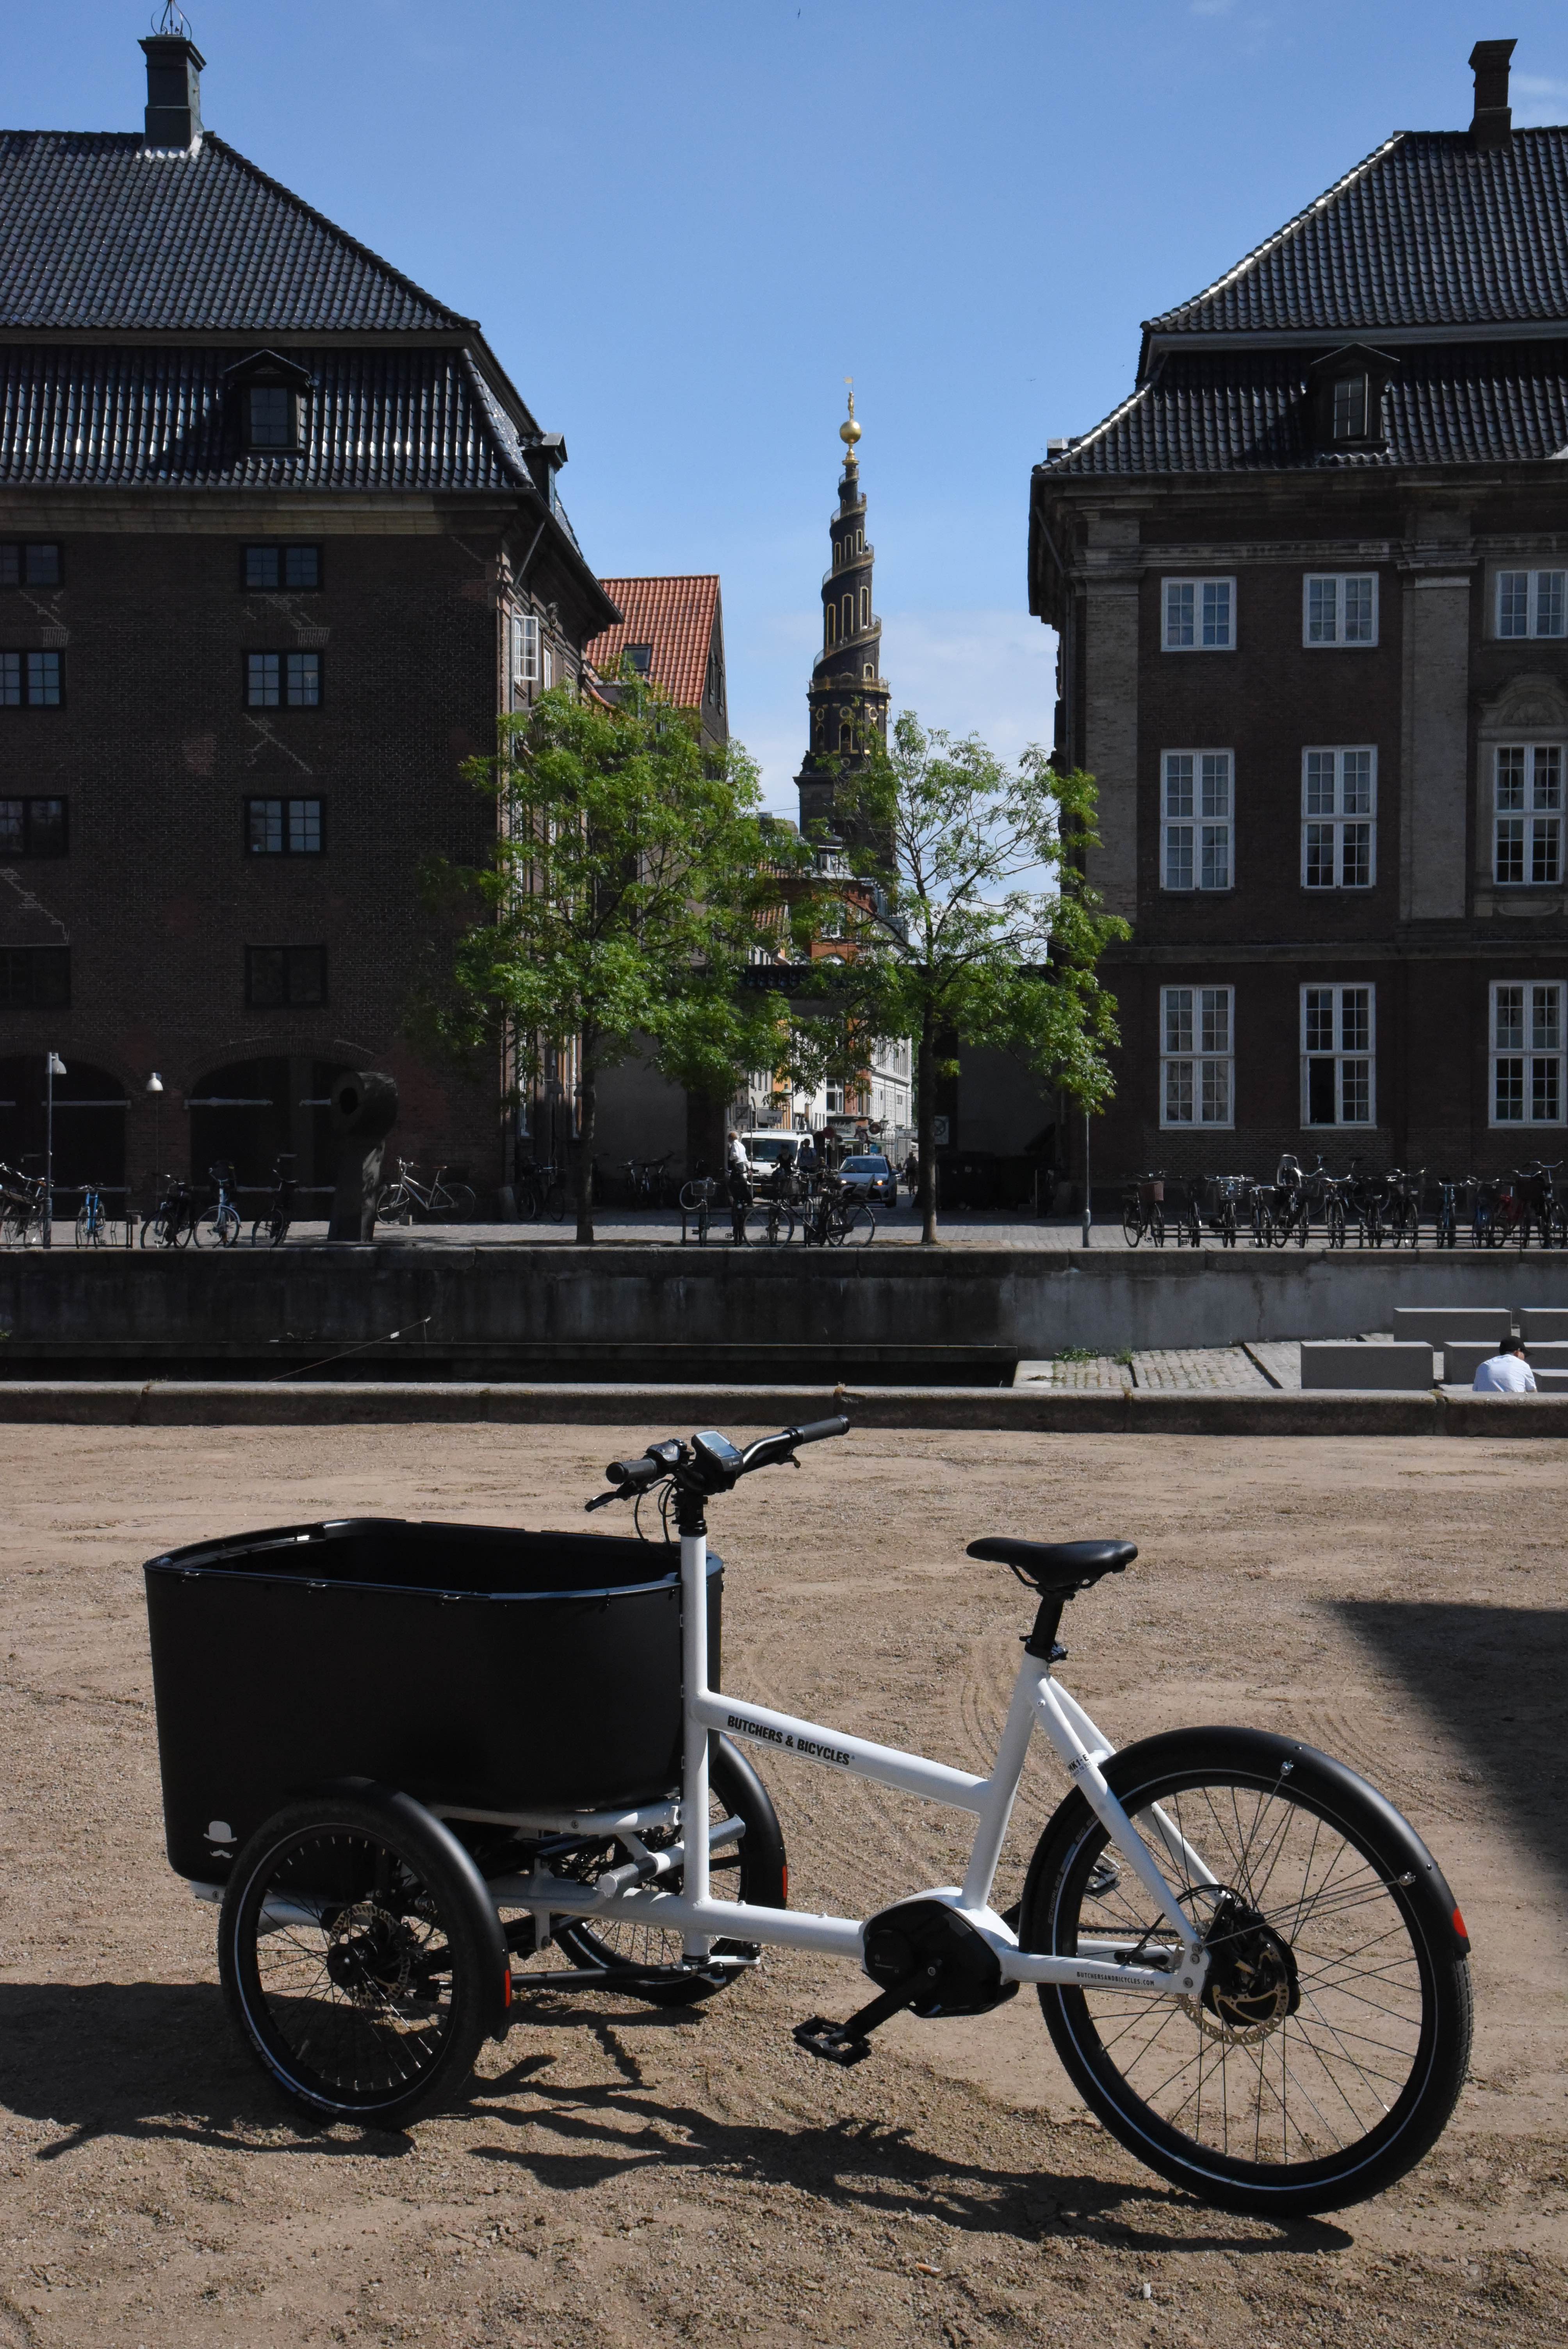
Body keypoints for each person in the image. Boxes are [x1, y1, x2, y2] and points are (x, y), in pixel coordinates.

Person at [1472, 1335, 1536, 1392]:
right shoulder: (1523, 1365)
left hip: (1486, 1401)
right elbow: (1533, 1393)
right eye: (1525, 1355)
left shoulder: (1483, 1366)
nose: (1524, 1358)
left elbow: (1476, 1392)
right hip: (1514, 1402)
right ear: (1518, 1352)